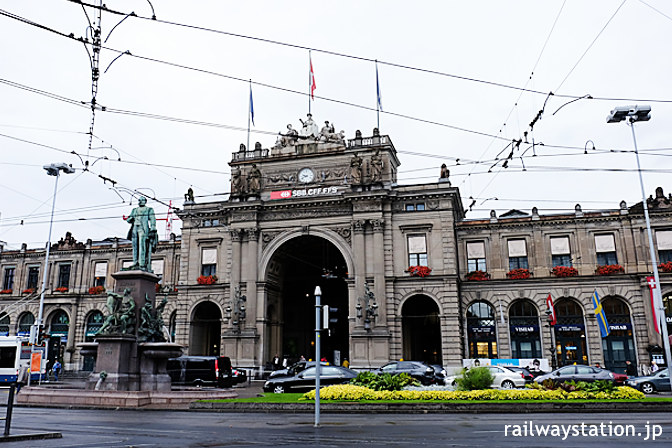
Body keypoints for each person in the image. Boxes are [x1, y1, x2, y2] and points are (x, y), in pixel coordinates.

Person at [126, 196, 157, 271]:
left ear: (145, 201)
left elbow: (152, 218)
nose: (139, 201)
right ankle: (135, 262)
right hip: (134, 228)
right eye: (139, 200)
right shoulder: (134, 210)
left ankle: (141, 263)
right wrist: (131, 218)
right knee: (135, 246)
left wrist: (153, 227)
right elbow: (128, 220)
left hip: (142, 229)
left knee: (142, 245)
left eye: (141, 200)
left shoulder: (149, 209)